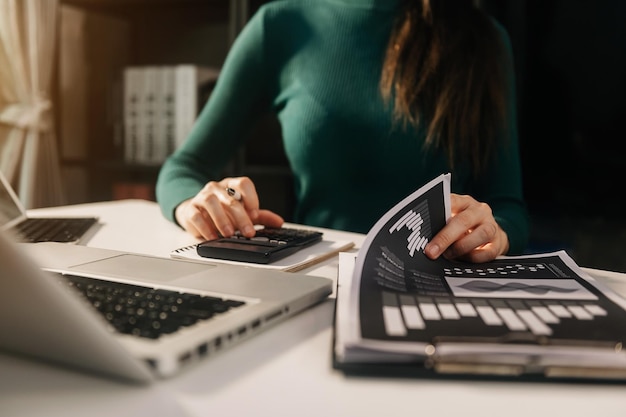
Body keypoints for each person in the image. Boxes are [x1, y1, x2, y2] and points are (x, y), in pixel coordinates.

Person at [156, 0, 530, 263]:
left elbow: (509, 207)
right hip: (315, 279)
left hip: (440, 281)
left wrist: (494, 231)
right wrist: (195, 204)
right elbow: (183, 168)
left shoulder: (482, 39)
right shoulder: (280, 26)